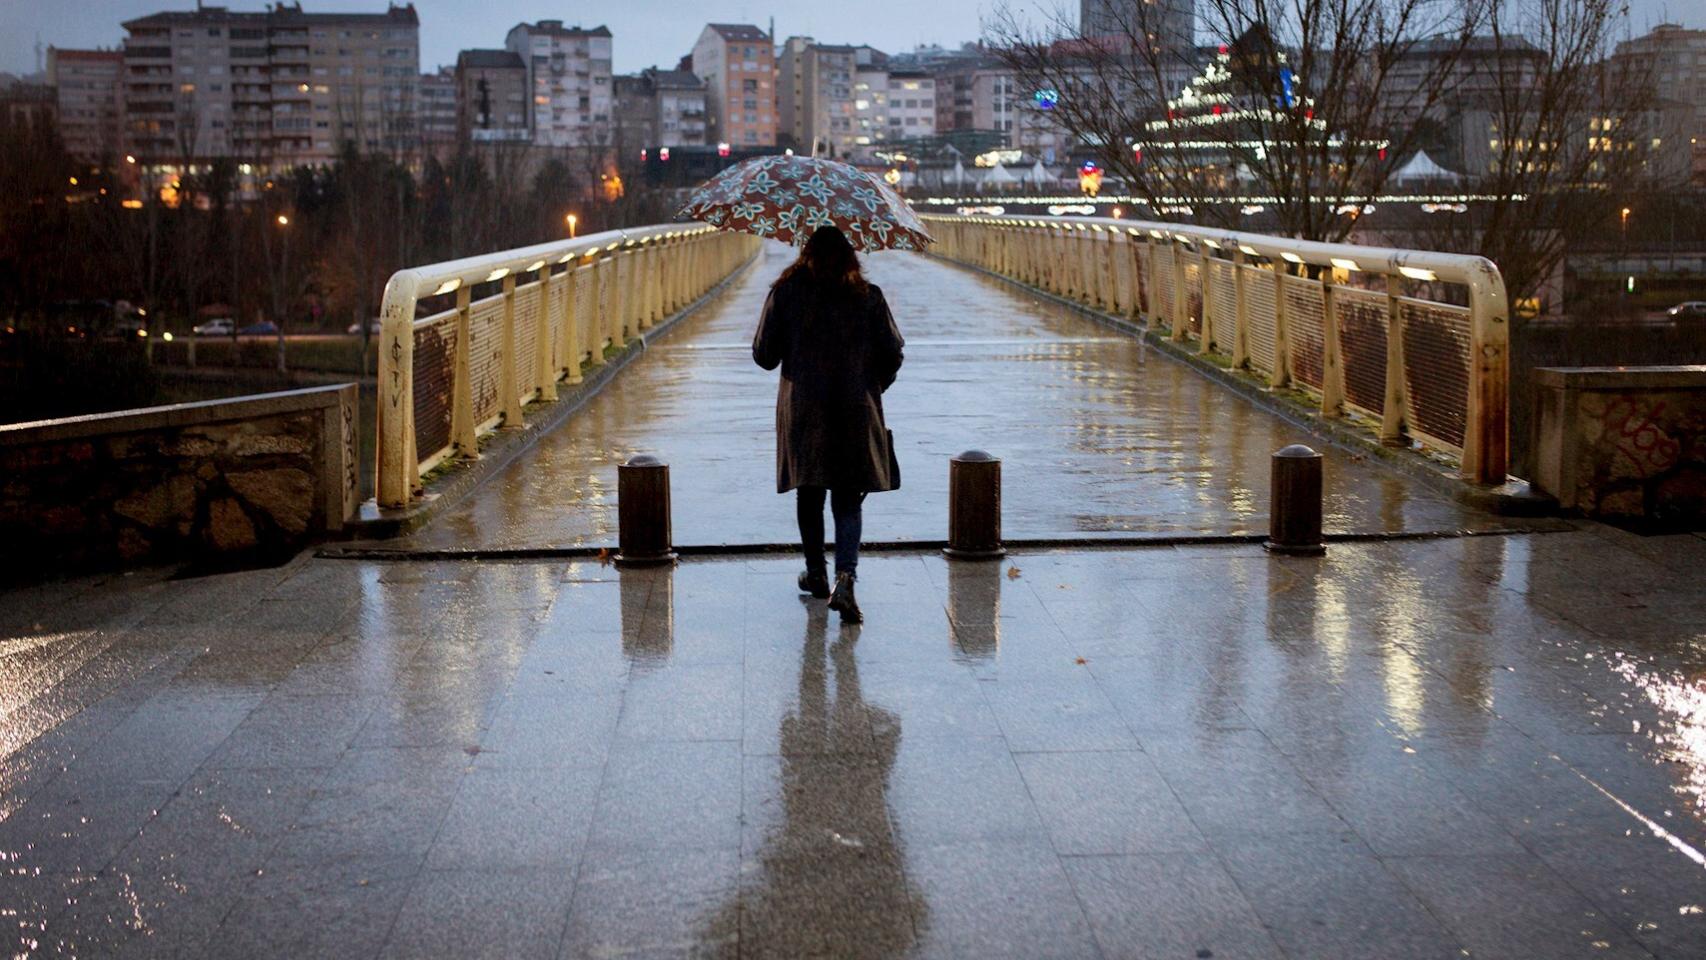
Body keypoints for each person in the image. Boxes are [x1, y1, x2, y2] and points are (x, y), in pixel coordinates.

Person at [753, 226, 904, 623]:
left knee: (810, 490)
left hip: (804, 407)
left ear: (807, 254)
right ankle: (846, 577)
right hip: (855, 406)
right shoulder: (868, 297)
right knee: (847, 497)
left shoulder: (786, 293)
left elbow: (764, 355)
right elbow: (893, 353)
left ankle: (816, 572)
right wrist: (871, 388)